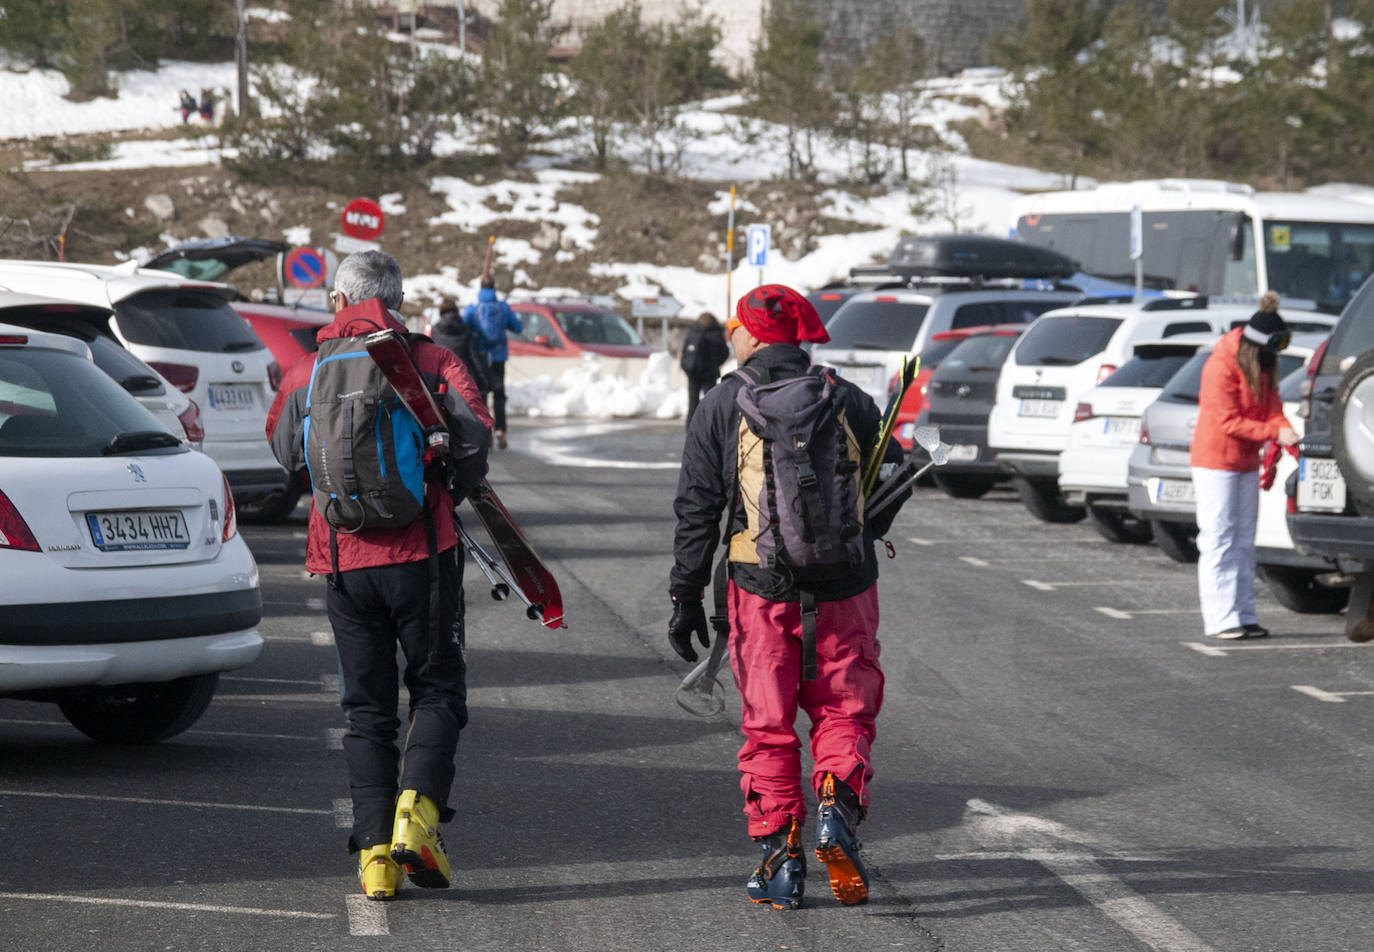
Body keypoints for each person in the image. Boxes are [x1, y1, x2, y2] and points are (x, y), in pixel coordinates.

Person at [667, 284, 904, 911]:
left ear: (749, 335)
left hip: (759, 590)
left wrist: (685, 592)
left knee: (769, 728)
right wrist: (861, 526)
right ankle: (835, 810)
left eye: (735, 328)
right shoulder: (845, 397)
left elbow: (697, 506)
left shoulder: (722, 403)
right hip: (845, 587)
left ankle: (780, 857)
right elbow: (895, 472)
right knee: (844, 710)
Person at [265, 251, 492, 900]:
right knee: (438, 691)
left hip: (342, 561)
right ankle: (416, 819)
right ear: (397, 301)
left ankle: (374, 860)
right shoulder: (430, 361)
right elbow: (475, 443)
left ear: (339, 302)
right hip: (424, 556)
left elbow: (286, 454)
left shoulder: (308, 368)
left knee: (366, 712)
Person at [1190, 290, 1297, 640]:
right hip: (1215, 462)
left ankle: (1244, 613)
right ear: (1258, 346)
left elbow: (1272, 407)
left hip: (1246, 462)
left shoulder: (1263, 365)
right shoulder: (1220, 366)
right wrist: (1273, 432)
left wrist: (1283, 427)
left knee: (1243, 540)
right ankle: (1221, 618)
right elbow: (1227, 421)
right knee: (1218, 537)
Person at [463, 275, 522, 450]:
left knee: (481, 394)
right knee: (499, 394)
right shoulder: (503, 308)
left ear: (480, 288)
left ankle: (485, 430)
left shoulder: (473, 309)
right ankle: (501, 430)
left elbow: (464, 326)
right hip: (498, 356)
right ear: (494, 288)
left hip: (480, 357)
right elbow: (518, 327)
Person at [432, 297, 492, 399]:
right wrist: (485, 380)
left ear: (441, 313)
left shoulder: (435, 331)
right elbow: (475, 358)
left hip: (443, 382)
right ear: (456, 312)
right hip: (465, 380)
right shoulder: (466, 329)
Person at [680, 311, 729, 424]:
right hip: (709, 373)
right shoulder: (716, 333)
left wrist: (686, 366)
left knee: (692, 403)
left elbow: (685, 352)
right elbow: (724, 353)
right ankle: (709, 429)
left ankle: (690, 430)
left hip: (693, 372)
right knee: (710, 403)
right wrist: (715, 364)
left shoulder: (694, 331)